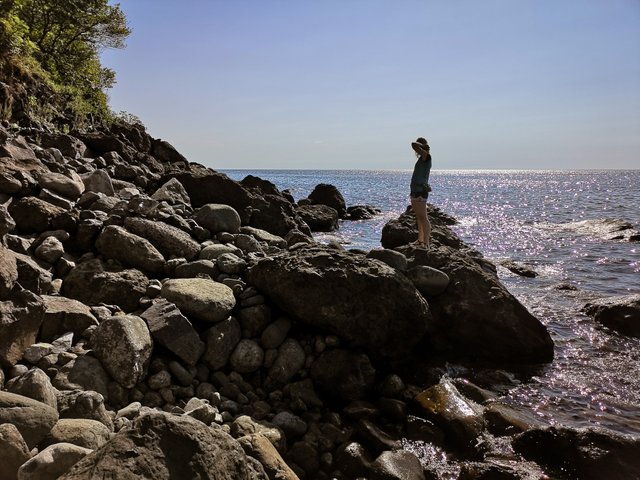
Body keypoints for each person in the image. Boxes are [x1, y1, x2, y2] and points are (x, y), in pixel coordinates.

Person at [409, 137, 432, 246]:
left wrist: (422, 146)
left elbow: (413, 144)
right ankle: (420, 240)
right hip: (415, 190)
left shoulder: (426, 157)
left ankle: (426, 243)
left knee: (423, 217)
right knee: (419, 217)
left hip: (420, 191)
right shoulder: (422, 158)